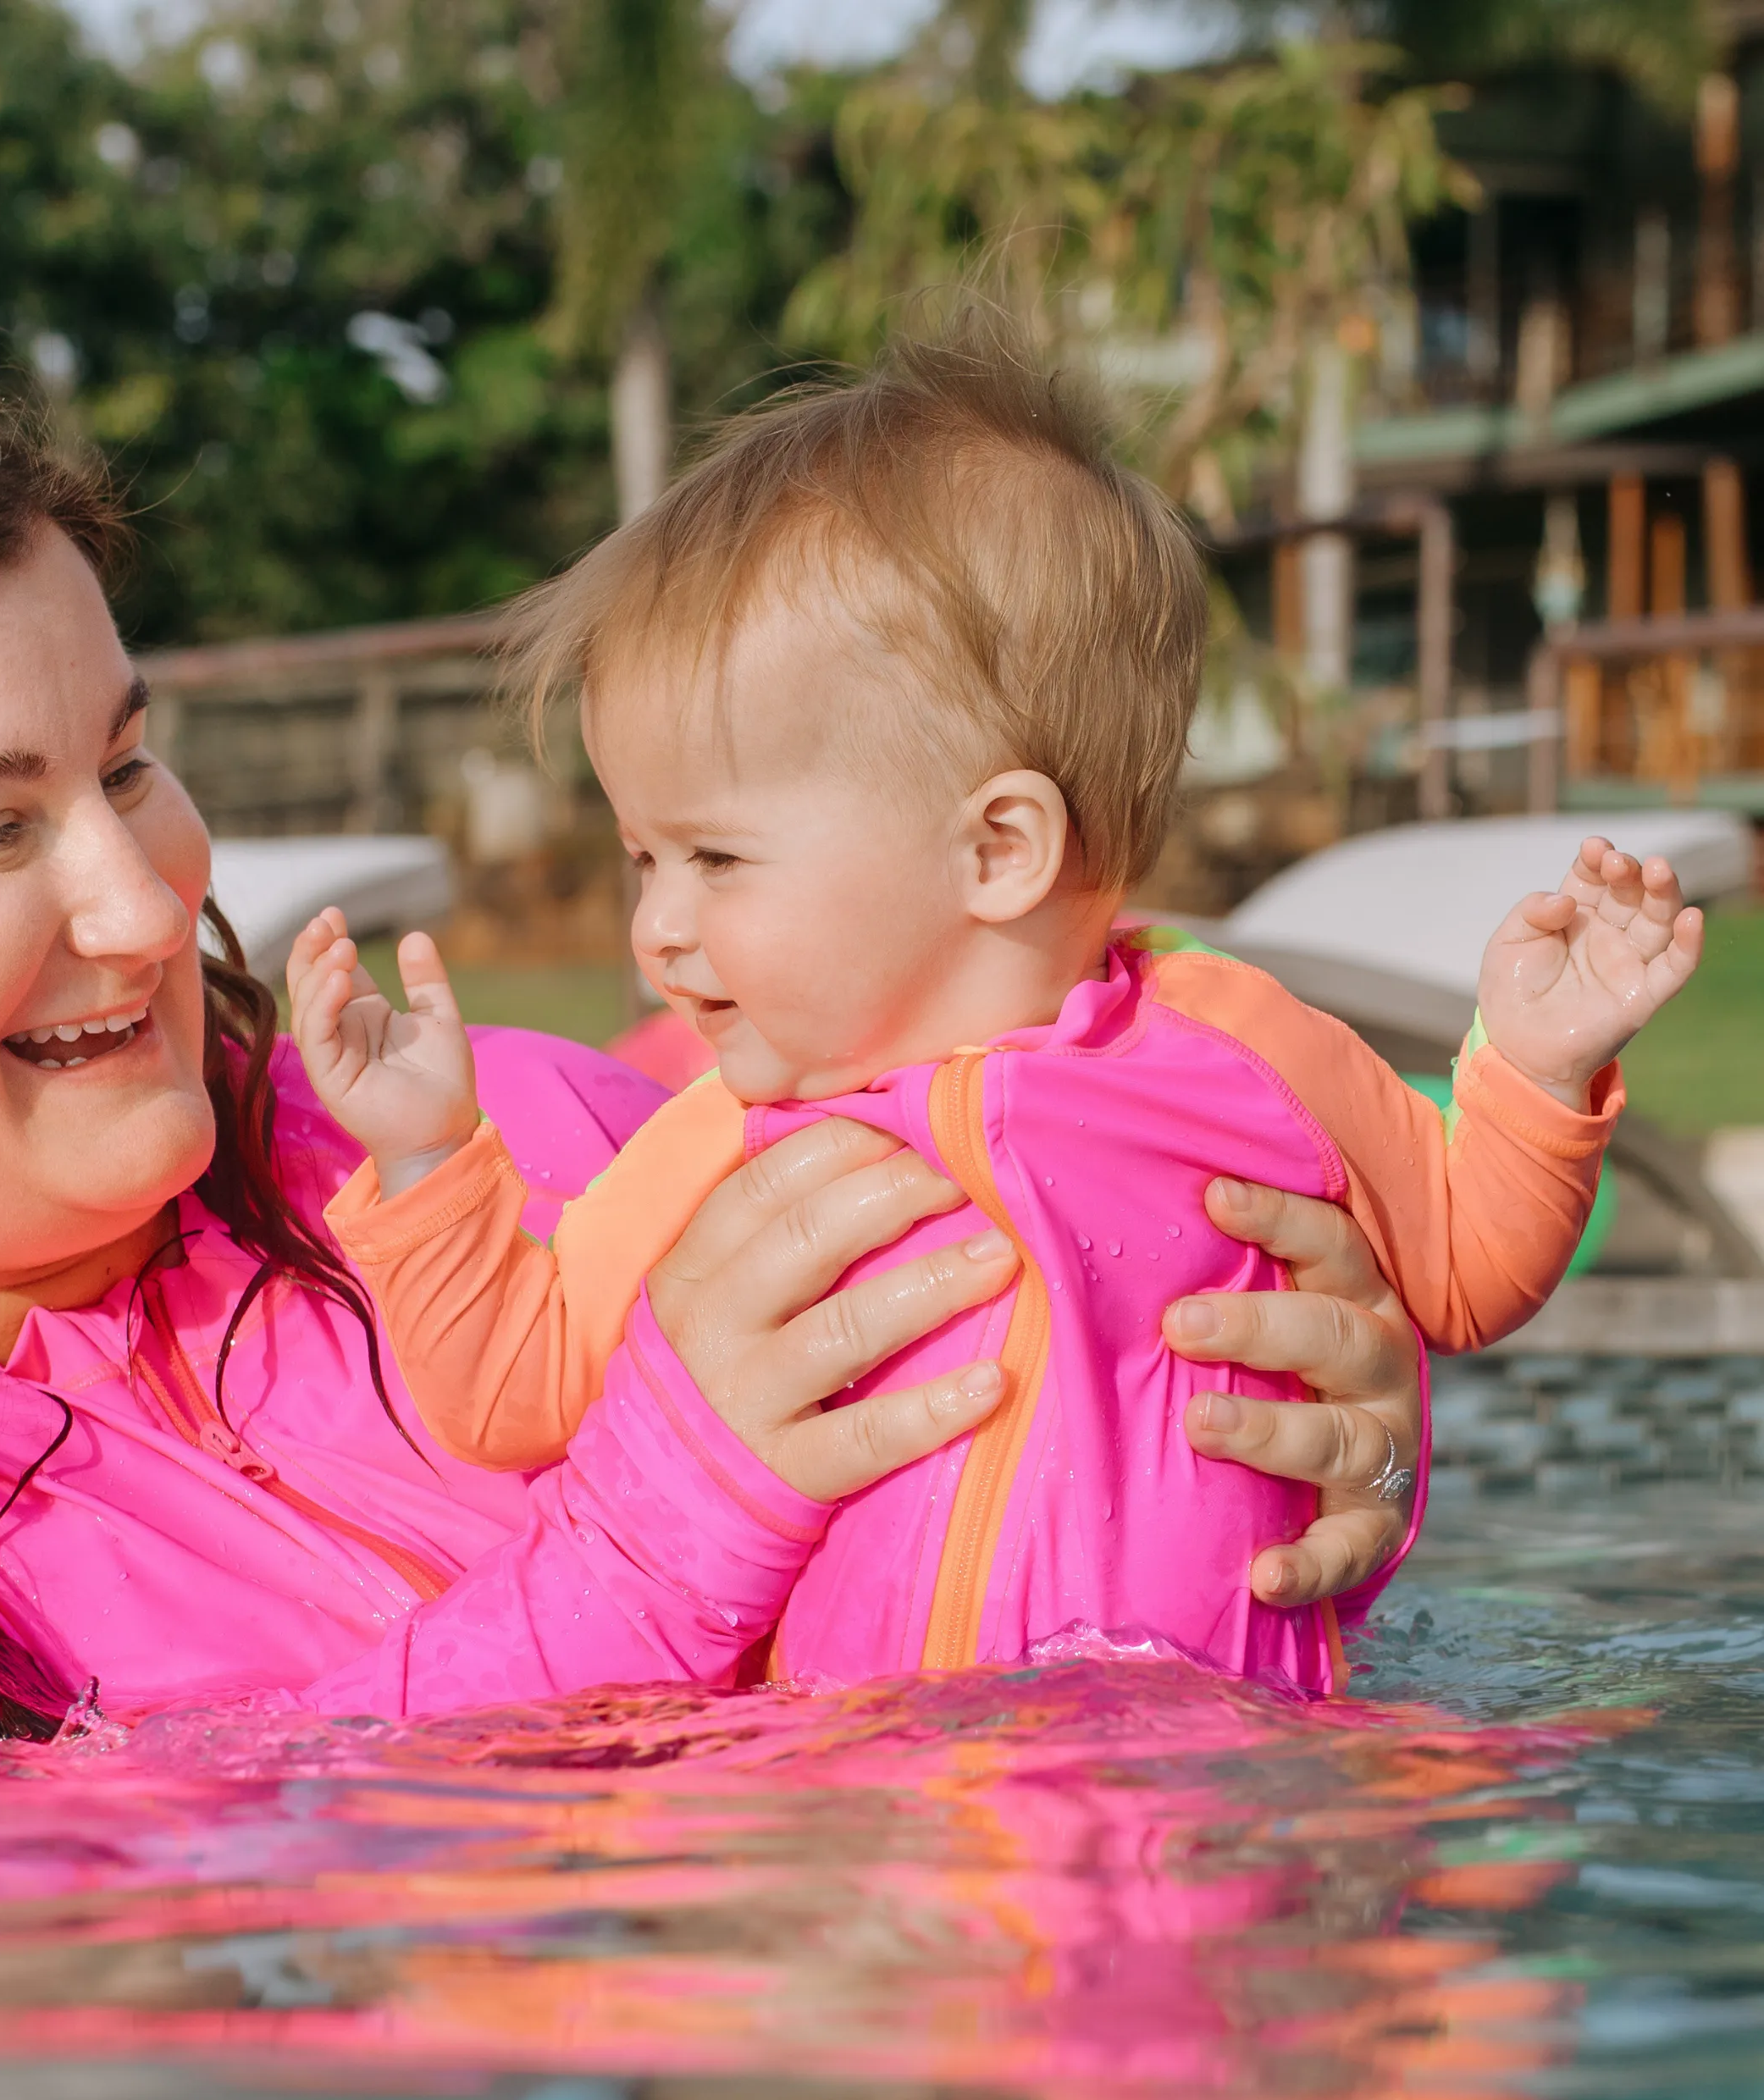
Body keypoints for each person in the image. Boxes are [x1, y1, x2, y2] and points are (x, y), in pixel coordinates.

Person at [0, 328, 1425, 1736]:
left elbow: (1055, 1572)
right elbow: (16, 1982)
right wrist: (658, 1540)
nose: (150, 886)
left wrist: (1276, 1452)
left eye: (128, 761)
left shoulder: (526, 1161)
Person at [291, 323, 1700, 1694]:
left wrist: (1536, 1065)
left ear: (998, 850)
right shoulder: (728, 1142)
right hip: (865, 1824)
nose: (657, 929)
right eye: (642, 858)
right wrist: (425, 1163)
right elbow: (511, 1394)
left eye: (714, 858)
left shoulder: (1236, 1045)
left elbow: (1464, 1266)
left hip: (1220, 1794)